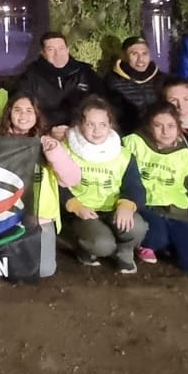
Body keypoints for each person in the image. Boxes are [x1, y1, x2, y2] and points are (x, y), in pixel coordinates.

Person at [0, 93, 81, 277]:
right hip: (4, 219)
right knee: (7, 270)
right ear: (9, 113)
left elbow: (72, 179)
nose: (23, 116)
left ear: (36, 115)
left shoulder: (47, 143)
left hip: (40, 219)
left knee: (44, 270)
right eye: (17, 110)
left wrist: (55, 153)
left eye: (29, 111)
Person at [61, 95, 149, 273]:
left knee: (137, 227)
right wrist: (75, 205)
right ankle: (86, 249)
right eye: (90, 124)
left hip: (113, 208)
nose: (97, 130)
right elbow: (56, 184)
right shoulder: (65, 150)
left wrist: (126, 205)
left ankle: (125, 252)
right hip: (83, 211)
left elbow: (135, 186)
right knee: (102, 245)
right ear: (80, 124)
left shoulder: (123, 154)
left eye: (103, 124)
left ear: (110, 126)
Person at [123, 101, 188, 276]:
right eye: (158, 125)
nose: (165, 131)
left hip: (176, 212)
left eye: (171, 126)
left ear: (179, 128)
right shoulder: (133, 142)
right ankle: (155, 243)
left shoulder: (186, 156)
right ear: (148, 126)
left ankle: (173, 244)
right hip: (145, 208)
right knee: (155, 238)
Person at [16, 31, 100, 128]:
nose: (58, 54)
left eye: (61, 48)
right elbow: (23, 109)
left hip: (81, 130)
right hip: (43, 131)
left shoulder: (85, 73)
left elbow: (101, 106)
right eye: (51, 49)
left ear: (68, 50)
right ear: (42, 53)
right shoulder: (30, 76)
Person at [105, 36, 163, 134]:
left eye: (144, 53)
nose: (141, 59)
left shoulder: (161, 78)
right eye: (134, 54)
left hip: (158, 134)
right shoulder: (111, 82)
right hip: (128, 137)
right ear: (123, 56)